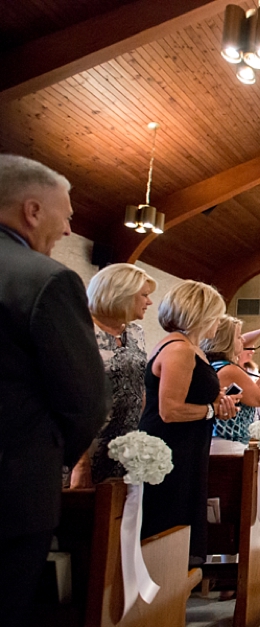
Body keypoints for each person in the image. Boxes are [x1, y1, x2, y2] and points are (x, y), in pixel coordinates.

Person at [0, 155, 109, 625]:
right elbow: (85, 398)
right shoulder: (44, 279)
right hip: (12, 484)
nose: (68, 231)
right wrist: (58, 453)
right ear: (32, 211)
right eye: (65, 216)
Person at [138, 280, 238, 567]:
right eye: (216, 315)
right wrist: (210, 411)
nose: (218, 323)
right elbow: (169, 410)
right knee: (169, 521)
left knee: (181, 523)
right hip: (173, 449)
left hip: (188, 447)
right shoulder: (179, 349)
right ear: (200, 314)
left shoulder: (189, 347)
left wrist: (218, 403)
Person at [71, 263, 157, 487]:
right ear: (121, 294)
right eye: (144, 295)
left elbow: (139, 383)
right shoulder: (80, 330)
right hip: (86, 445)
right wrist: (80, 462)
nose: (149, 302)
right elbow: (68, 396)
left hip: (126, 444)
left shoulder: (135, 333)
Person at [203, 315, 260, 454]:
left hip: (216, 438)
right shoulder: (229, 370)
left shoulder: (211, 363)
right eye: (238, 336)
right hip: (228, 440)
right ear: (227, 341)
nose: (243, 340)